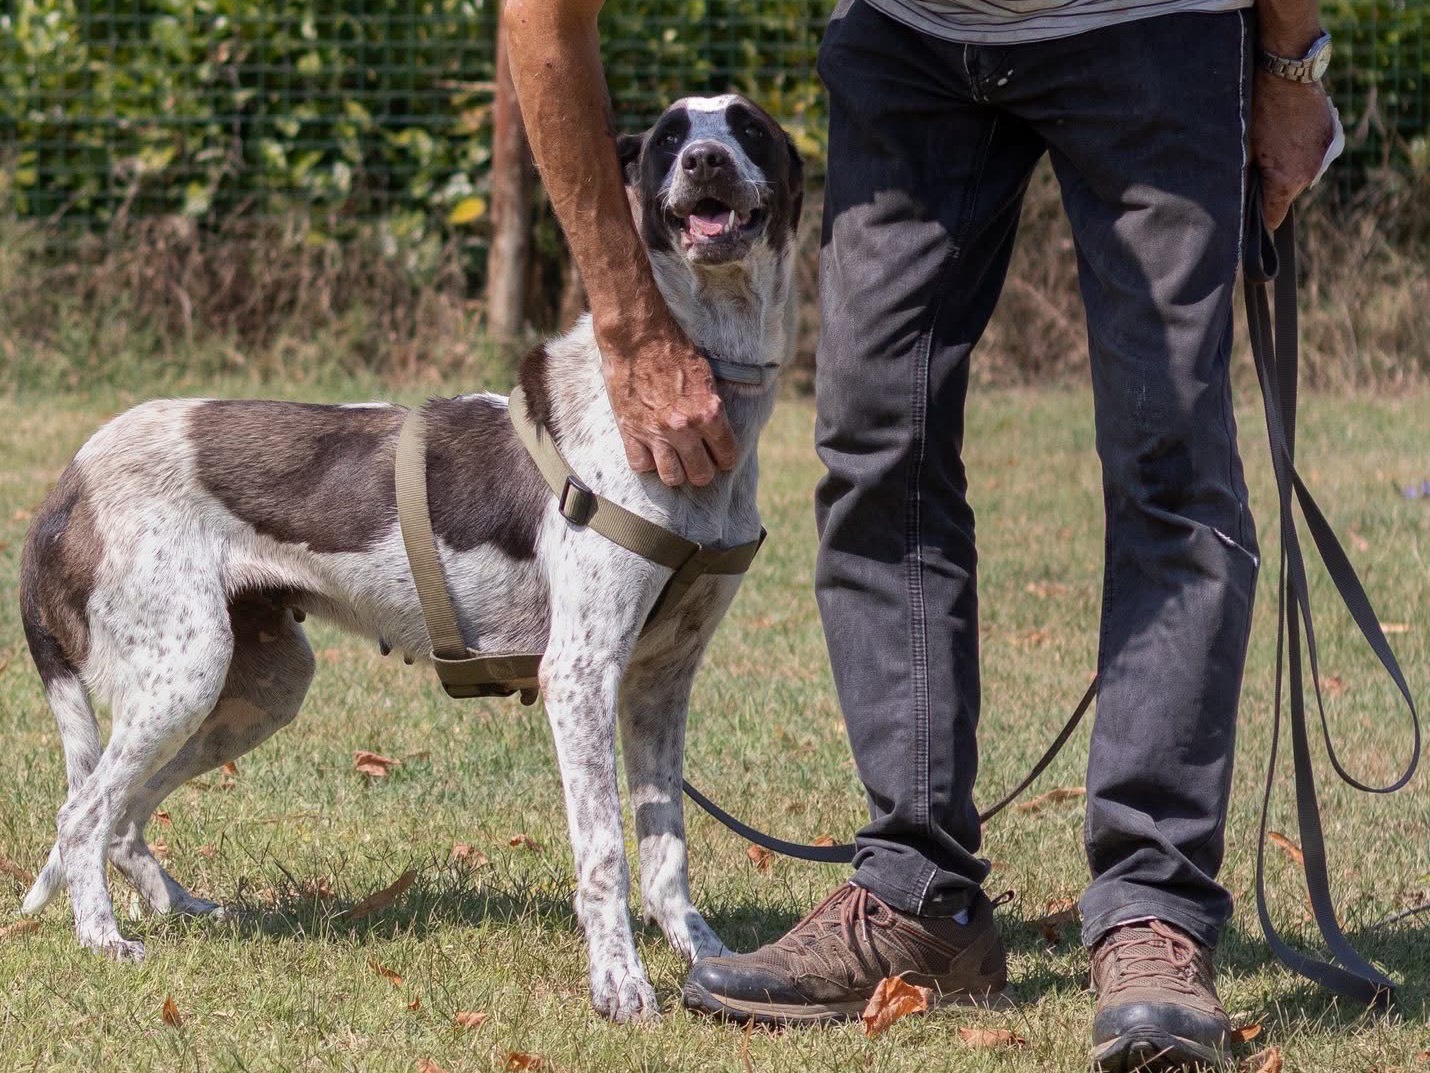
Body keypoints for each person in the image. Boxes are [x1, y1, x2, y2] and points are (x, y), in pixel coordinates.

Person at [504, 0, 1338, 1066]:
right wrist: (624, 317)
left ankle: (1151, 910)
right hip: (909, 36)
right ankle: (914, 892)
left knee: (1168, 460)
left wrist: (1287, 61)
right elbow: (544, 20)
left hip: (1152, 24)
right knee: (873, 445)